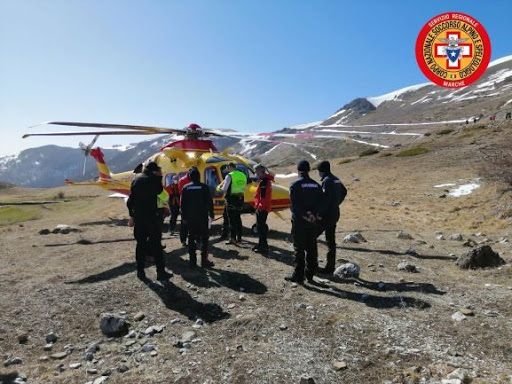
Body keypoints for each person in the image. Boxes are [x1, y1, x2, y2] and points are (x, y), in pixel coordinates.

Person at [127, 161, 172, 282]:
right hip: (152, 218)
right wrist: (160, 178)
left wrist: (131, 216)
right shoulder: (155, 180)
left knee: (140, 245)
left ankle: (140, 272)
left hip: (139, 219)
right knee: (156, 246)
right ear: (154, 171)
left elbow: (130, 201)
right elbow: (164, 196)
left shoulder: (136, 180)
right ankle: (160, 273)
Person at [285, 160, 323, 284]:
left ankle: (299, 275)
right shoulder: (317, 185)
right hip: (313, 221)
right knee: (312, 247)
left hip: (300, 221)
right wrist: (313, 215)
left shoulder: (295, 185)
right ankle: (310, 274)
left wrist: (306, 215)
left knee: (299, 248)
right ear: (309, 170)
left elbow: (295, 206)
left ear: (298, 170)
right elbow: (320, 203)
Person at [316, 160, 347, 274]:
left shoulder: (326, 181)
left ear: (321, 171)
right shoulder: (336, 179)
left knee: (312, 236)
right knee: (331, 240)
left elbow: (325, 200)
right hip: (335, 213)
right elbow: (344, 191)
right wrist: (337, 203)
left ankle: (312, 265)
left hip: (327, 215)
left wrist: (319, 213)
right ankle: (330, 266)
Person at [181, 168, 215, 268]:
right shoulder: (204, 187)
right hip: (202, 217)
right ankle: (204, 261)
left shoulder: (186, 188)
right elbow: (209, 202)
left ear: (190, 177)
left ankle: (192, 261)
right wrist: (211, 214)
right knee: (204, 239)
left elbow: (183, 204)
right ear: (199, 176)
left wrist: (184, 217)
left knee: (191, 238)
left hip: (190, 218)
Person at [217, 163, 247, 245]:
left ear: (229, 167)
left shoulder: (229, 176)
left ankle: (233, 238)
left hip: (231, 199)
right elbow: (244, 187)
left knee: (231, 219)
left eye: (227, 168)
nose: (227, 169)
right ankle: (239, 238)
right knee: (238, 218)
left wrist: (219, 188)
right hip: (240, 198)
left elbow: (224, 188)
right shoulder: (242, 175)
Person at [252, 164, 274, 254]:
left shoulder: (264, 182)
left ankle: (263, 246)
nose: (255, 173)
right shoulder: (264, 180)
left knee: (261, 227)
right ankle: (261, 244)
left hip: (262, 208)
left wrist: (260, 207)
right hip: (263, 207)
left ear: (260, 171)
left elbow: (264, 197)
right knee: (260, 226)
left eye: (256, 171)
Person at [178, 167, 197, 246]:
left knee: (194, 222)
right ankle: (183, 240)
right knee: (184, 223)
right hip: (185, 205)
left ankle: (194, 238)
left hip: (194, 205)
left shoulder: (195, 179)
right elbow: (181, 193)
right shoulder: (182, 180)